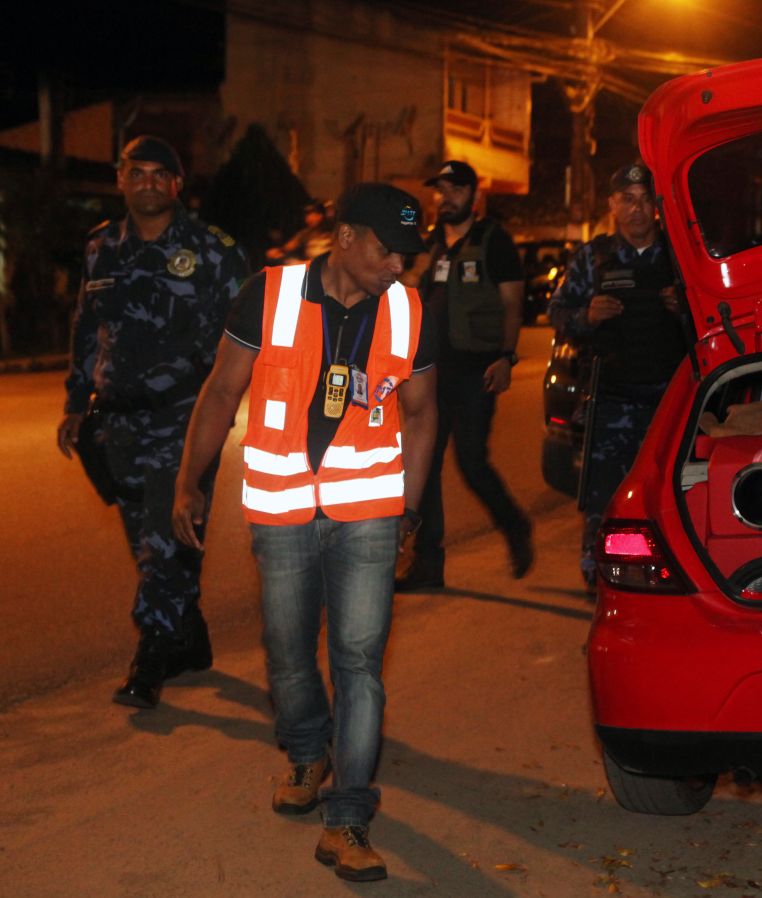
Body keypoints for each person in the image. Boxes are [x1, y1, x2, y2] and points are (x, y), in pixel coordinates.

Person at [171, 182, 437, 882]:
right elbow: (222, 391)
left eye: (408, 255)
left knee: (359, 663)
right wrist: (188, 481)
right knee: (288, 654)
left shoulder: (408, 309)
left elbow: (421, 412)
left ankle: (347, 818)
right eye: (387, 250)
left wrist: (408, 509)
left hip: (369, 514)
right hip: (283, 510)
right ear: (346, 238)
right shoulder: (271, 293)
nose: (398, 267)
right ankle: (307, 749)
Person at [56, 135, 249, 709]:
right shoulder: (101, 249)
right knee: (148, 542)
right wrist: (75, 401)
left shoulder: (214, 250)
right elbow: (88, 328)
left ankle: (153, 654)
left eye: (158, 174)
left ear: (176, 184)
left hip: (185, 419)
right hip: (118, 423)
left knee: (168, 538)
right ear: (120, 179)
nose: (146, 182)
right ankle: (189, 638)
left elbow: (239, 333)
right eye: (135, 172)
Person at [548, 162, 688, 587]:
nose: (637, 209)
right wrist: (586, 316)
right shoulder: (594, 258)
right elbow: (557, 313)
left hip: (671, 402)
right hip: (612, 398)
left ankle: (673, 573)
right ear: (612, 204)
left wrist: (685, 310)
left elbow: (714, 321)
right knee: (605, 495)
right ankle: (601, 576)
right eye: (628, 199)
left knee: (670, 494)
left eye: (646, 199)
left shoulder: (680, 254)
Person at [395, 160, 532, 590]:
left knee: (472, 464)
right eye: (440, 190)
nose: (444, 197)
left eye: (454, 189)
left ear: (474, 196)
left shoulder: (495, 242)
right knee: (425, 466)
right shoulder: (430, 244)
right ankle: (428, 564)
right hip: (431, 374)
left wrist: (507, 358)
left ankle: (515, 526)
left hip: (476, 373)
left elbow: (512, 304)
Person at [266, 198, 336, 264]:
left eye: (313, 213)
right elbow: (288, 247)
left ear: (323, 214)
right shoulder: (305, 233)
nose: (308, 218)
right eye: (307, 214)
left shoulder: (335, 231)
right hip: (312, 268)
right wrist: (278, 251)